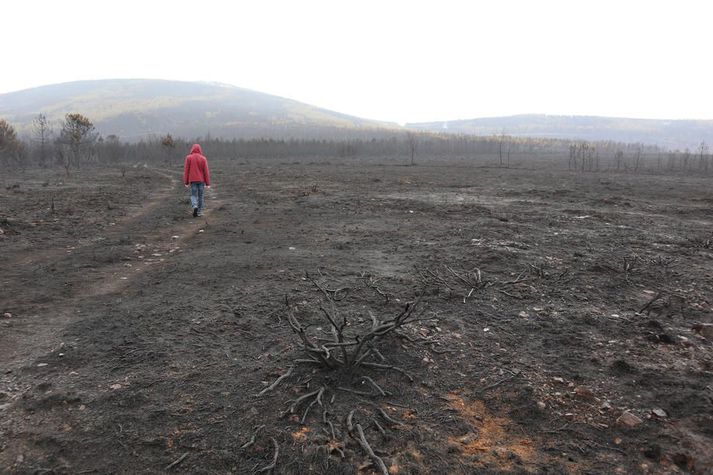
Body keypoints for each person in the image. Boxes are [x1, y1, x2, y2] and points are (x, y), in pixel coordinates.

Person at [183, 143, 211, 217]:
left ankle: (194, 205)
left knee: (193, 195)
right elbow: (206, 172)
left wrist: (186, 182)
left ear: (192, 149)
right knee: (201, 196)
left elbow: (186, 171)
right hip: (201, 181)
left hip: (192, 180)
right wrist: (208, 183)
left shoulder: (188, 158)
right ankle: (199, 212)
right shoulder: (203, 158)